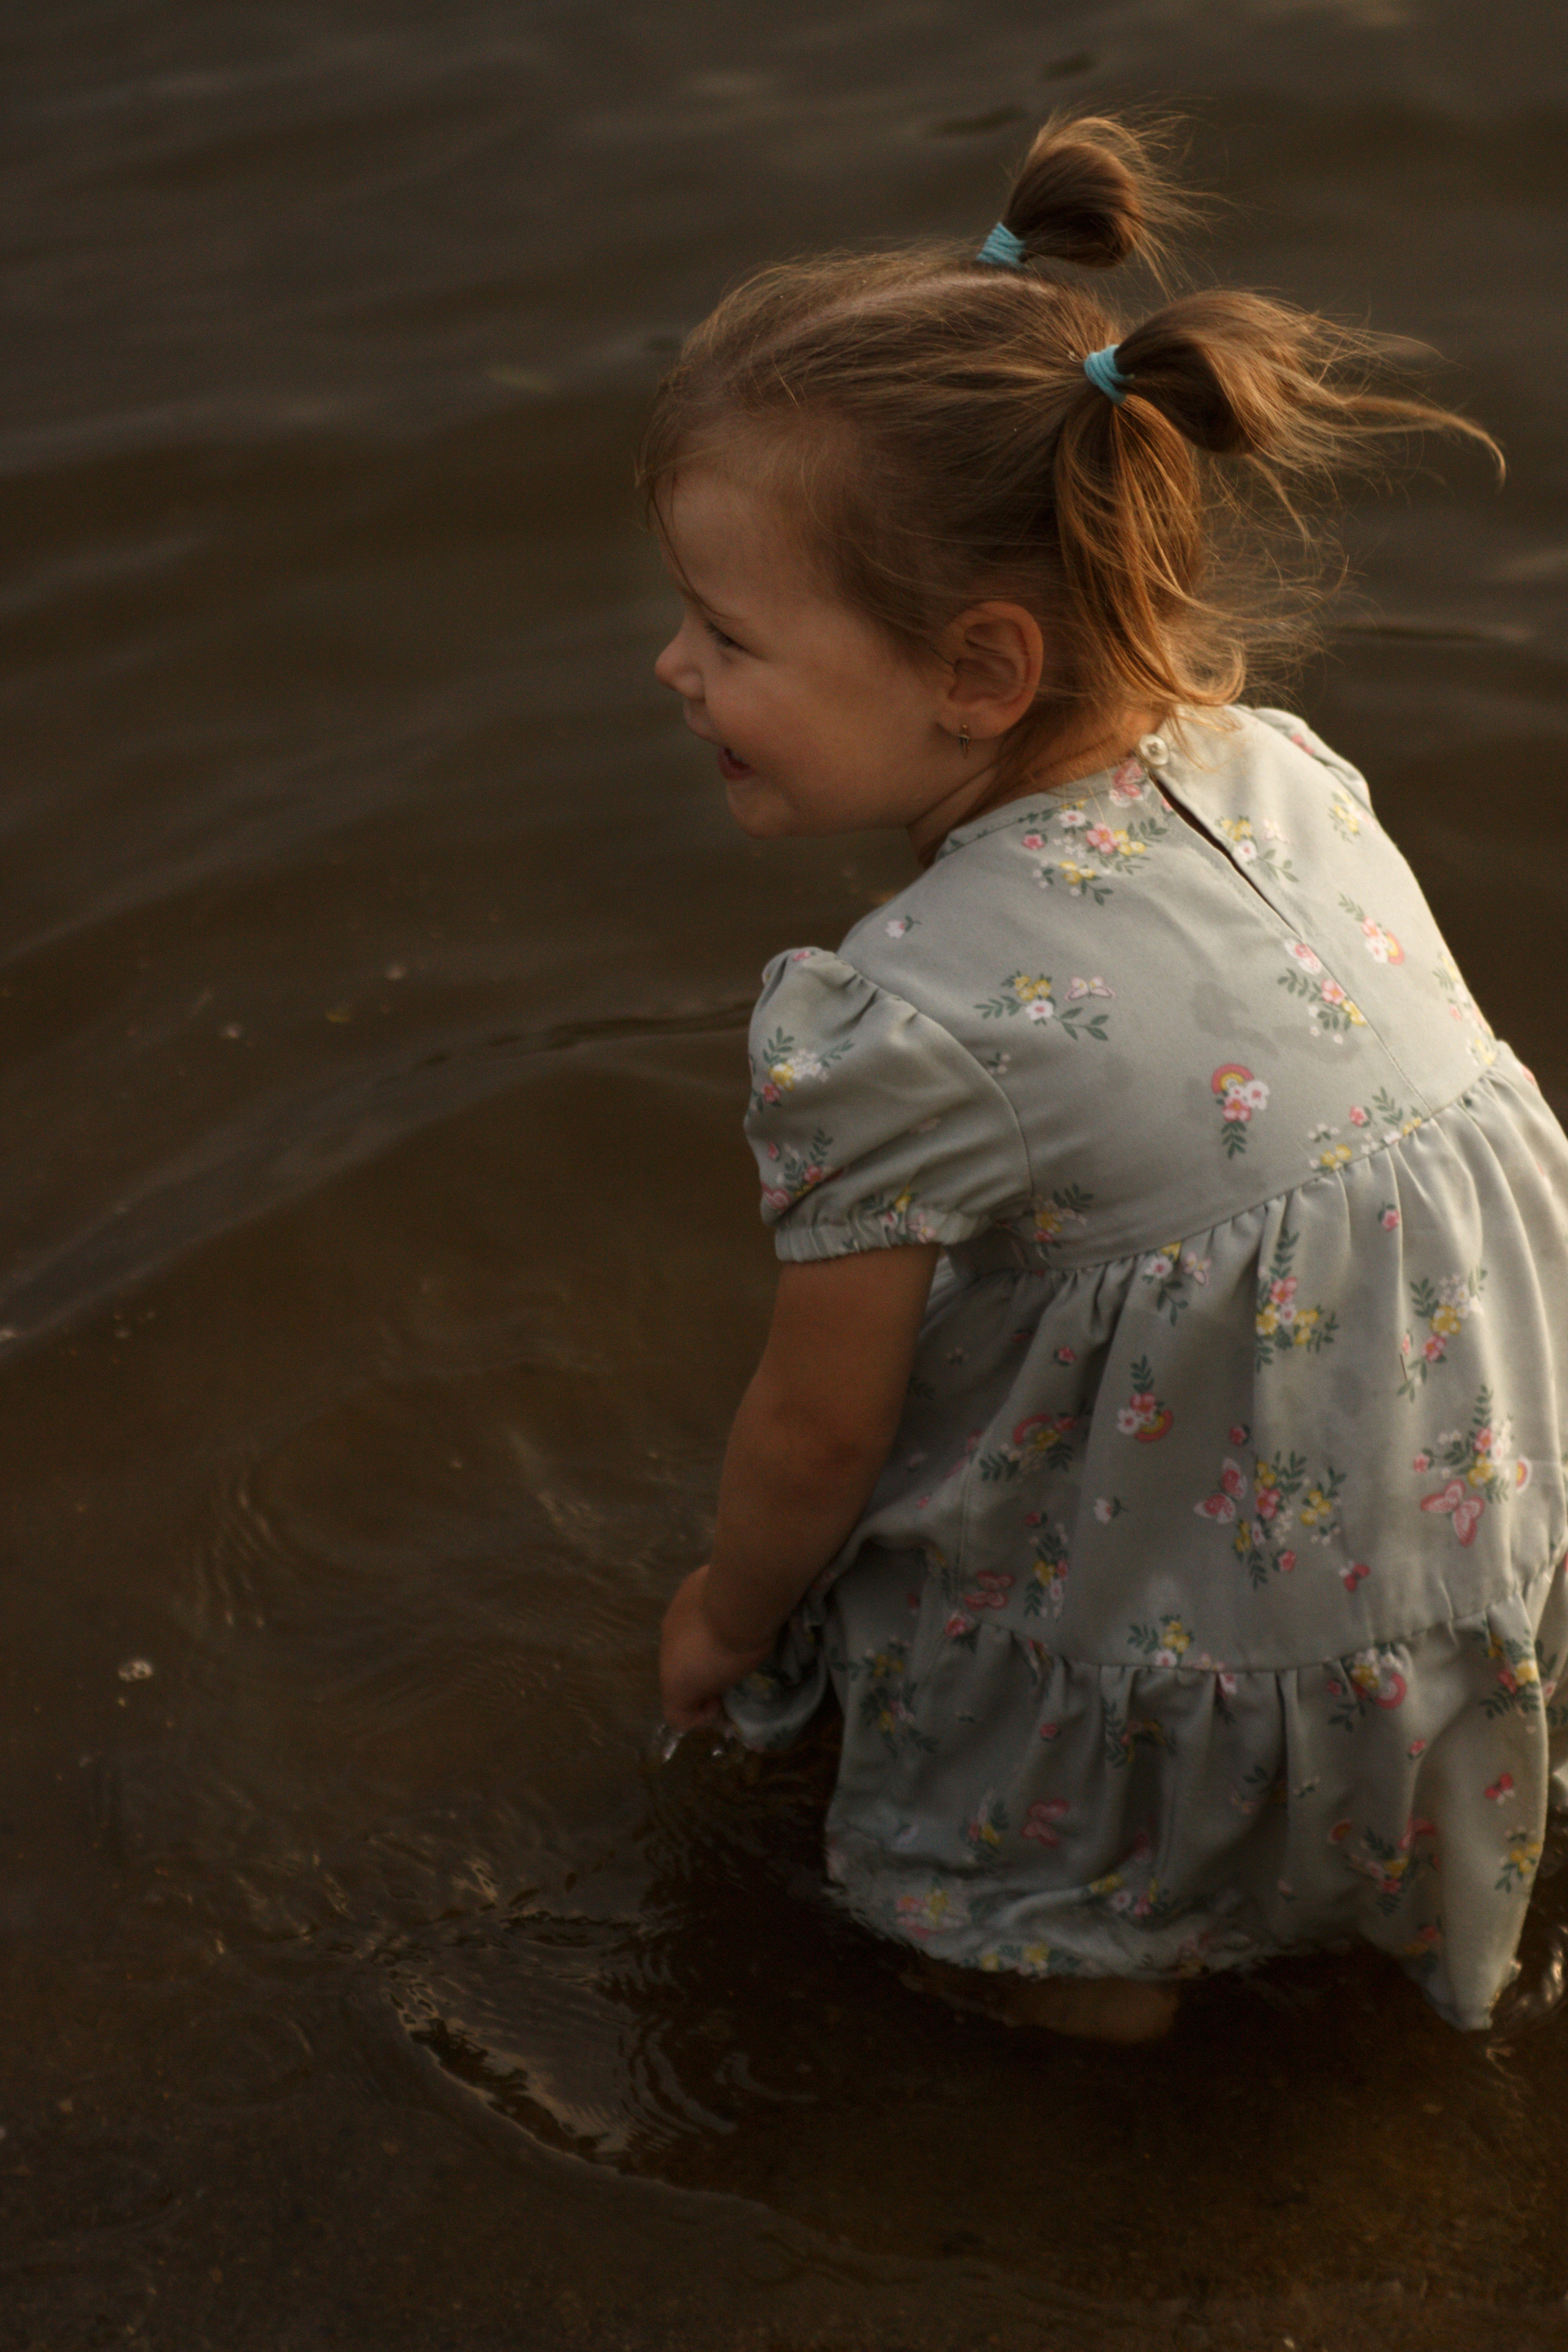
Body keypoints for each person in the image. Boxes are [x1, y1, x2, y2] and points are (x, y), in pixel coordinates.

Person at [646, 114, 1568, 2040]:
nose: (674, 668)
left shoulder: (895, 1024)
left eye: (727, 635)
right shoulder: (1287, 771)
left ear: (979, 672)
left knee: (1044, 1948)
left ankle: (1089, 2014)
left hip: (1223, 1628)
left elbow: (815, 1435)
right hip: (1474, 1502)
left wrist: (728, 1618)